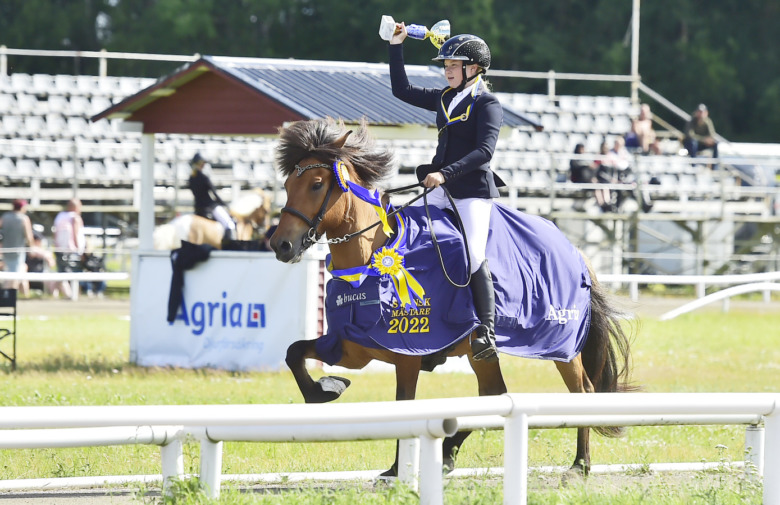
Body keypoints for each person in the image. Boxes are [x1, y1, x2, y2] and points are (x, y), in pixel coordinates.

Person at [389, 24, 503, 361]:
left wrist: (444, 173)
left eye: (453, 65)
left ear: (474, 69)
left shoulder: (488, 103)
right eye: (446, 65)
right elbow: (401, 89)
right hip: (439, 187)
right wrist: (396, 47)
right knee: (406, 234)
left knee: (473, 256)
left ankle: (487, 331)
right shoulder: (443, 97)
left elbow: (484, 152)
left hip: (471, 193)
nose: (447, 70)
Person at [188, 153, 237, 244]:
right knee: (229, 224)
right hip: (209, 207)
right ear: (200, 164)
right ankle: (229, 245)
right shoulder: (204, 178)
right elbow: (214, 194)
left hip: (198, 208)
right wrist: (224, 204)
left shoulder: (191, 179)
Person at [0, 199, 35, 295]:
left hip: (6, 251)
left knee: (22, 270)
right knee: (13, 276)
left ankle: (25, 295)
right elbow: (29, 236)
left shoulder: (5, 217)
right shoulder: (23, 219)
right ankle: (5, 296)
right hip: (18, 252)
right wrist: (32, 248)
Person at [53, 198, 86, 284]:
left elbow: (55, 233)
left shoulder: (60, 216)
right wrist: (79, 250)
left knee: (62, 274)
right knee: (75, 275)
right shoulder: (75, 218)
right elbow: (75, 234)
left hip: (60, 249)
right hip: (73, 250)